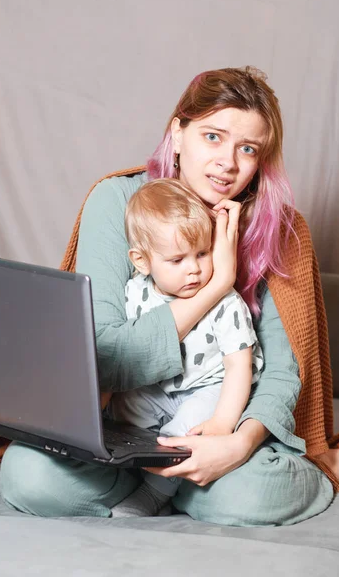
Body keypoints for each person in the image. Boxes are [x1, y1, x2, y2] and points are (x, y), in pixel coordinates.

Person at [0, 65, 339, 525]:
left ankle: (279, 473)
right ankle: (163, 485)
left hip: (217, 424)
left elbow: (283, 371)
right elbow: (106, 355)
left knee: (252, 496)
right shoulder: (117, 201)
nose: (228, 162)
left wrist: (235, 446)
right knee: (28, 475)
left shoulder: (276, 229)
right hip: (124, 426)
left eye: (248, 149)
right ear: (178, 133)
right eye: (213, 137)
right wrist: (218, 285)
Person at [108, 178, 263, 517]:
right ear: (142, 261)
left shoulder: (225, 303)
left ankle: (154, 494)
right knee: (120, 408)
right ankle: (132, 468)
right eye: (177, 260)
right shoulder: (137, 292)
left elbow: (239, 367)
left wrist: (223, 421)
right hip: (159, 387)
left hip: (208, 387)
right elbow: (126, 348)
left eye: (203, 254)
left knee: (183, 433)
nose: (194, 269)